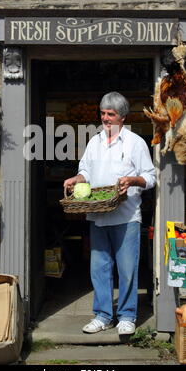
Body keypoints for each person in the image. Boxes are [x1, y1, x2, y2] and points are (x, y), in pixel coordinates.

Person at [63, 92, 156, 336]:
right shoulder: (94, 142)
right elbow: (85, 170)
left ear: (122, 117)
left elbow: (151, 177)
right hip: (98, 214)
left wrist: (133, 180)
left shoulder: (135, 143)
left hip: (127, 215)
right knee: (99, 267)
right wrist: (77, 178)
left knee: (127, 269)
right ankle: (103, 315)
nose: (106, 118)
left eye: (111, 114)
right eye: (103, 113)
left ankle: (127, 316)